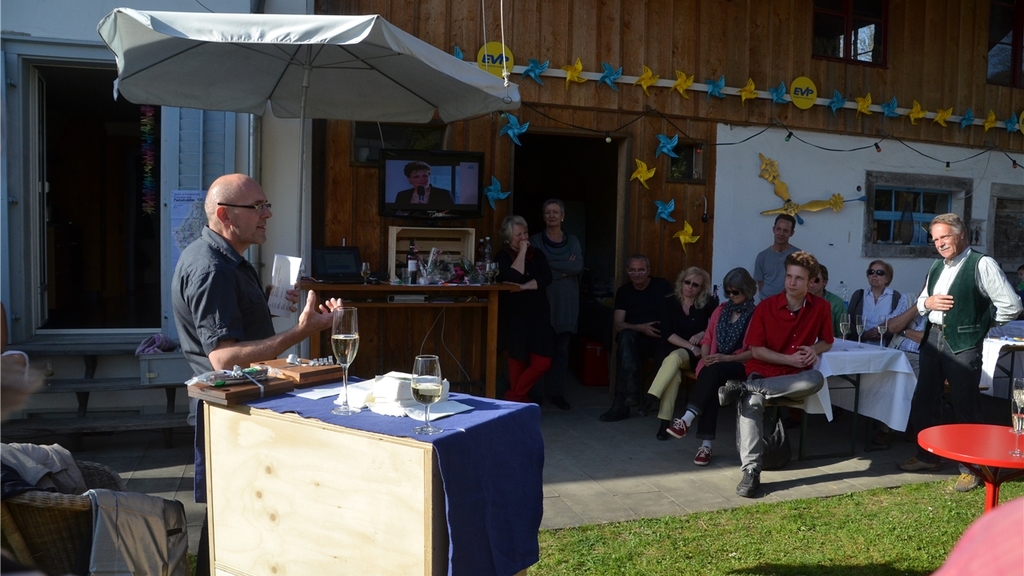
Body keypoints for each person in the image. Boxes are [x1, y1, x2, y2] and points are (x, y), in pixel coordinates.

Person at [171, 173, 343, 575]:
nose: (268, 214)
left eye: (267, 205)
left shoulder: (227, 258)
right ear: (224, 214)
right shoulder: (212, 268)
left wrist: (264, 302)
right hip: (232, 416)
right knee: (230, 525)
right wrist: (300, 332)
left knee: (239, 521)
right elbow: (224, 360)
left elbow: (231, 328)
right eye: (258, 207)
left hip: (240, 411)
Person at [899, 213, 1022, 494]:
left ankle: (971, 468)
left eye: (944, 237)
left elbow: (1011, 305)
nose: (940, 243)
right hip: (933, 339)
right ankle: (928, 457)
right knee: (925, 399)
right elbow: (922, 301)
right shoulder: (937, 266)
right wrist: (927, 302)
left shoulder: (982, 263)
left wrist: (982, 323)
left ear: (961, 234)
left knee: (965, 404)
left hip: (964, 342)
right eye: (935, 239)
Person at [719, 251, 834, 497]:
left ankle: (742, 387)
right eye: (789, 276)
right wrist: (789, 359)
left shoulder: (822, 307)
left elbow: (827, 341)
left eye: (799, 278)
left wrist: (814, 349)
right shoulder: (766, 307)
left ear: (811, 282)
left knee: (817, 379)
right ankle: (751, 471)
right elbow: (757, 351)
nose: (792, 283)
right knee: (751, 402)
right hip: (763, 372)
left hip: (794, 379)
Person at [659, 268, 757, 466]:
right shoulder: (721, 310)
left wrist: (724, 358)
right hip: (715, 362)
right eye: (728, 292)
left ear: (747, 290)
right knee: (711, 379)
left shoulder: (757, 314)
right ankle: (705, 445)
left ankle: (688, 421)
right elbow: (707, 338)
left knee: (712, 373)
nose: (731, 296)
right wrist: (707, 356)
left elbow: (755, 351)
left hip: (739, 363)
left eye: (735, 292)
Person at [638, 267, 714, 440]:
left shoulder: (707, 303)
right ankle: (665, 423)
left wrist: (702, 334)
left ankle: (650, 399)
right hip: (672, 347)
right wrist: (690, 346)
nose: (690, 287)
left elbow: (714, 326)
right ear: (681, 282)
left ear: (701, 288)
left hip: (694, 356)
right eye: (687, 282)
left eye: (695, 285)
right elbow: (667, 333)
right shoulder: (669, 302)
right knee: (674, 373)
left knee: (676, 357)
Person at [598, 255, 673, 422]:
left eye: (641, 270)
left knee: (627, 352)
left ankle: (625, 402)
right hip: (636, 340)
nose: (636, 274)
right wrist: (640, 327)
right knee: (625, 339)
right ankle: (627, 395)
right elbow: (618, 324)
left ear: (648, 271)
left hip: (661, 337)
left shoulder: (662, 286)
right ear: (627, 271)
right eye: (632, 270)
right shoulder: (624, 292)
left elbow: (673, 312)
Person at [530, 199, 583, 410]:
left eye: (555, 212)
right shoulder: (535, 241)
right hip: (543, 303)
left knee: (562, 350)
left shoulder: (573, 241)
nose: (551, 215)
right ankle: (536, 395)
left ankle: (557, 393)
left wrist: (551, 269)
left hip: (567, 304)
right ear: (543, 216)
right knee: (541, 350)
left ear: (563, 216)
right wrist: (563, 269)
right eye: (547, 212)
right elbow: (536, 268)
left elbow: (578, 265)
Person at [496, 215, 554, 403]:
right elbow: (512, 277)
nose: (523, 238)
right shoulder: (502, 256)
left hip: (538, 316)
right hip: (515, 318)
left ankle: (513, 397)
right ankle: (519, 404)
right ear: (507, 238)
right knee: (517, 360)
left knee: (543, 362)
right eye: (518, 235)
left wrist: (522, 287)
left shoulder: (538, 254)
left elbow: (546, 278)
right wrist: (521, 253)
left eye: (525, 233)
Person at [845, 260, 908, 345]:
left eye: (880, 272)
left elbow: (900, 323)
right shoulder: (859, 295)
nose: (874, 275)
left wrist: (884, 333)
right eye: (871, 272)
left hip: (885, 347)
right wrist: (864, 335)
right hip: (860, 345)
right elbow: (848, 321)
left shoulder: (895, 296)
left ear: (887, 278)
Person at [753, 214, 800, 301]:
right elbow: (760, 283)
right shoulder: (762, 256)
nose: (781, 233)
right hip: (766, 304)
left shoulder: (798, 256)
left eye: (785, 231)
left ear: (792, 233)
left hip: (790, 304)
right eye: (778, 229)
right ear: (773, 229)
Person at [808, 264, 847, 338]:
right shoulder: (798, 300)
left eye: (816, 280)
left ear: (825, 282)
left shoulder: (836, 302)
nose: (811, 284)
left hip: (828, 346)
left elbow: (842, 333)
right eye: (808, 279)